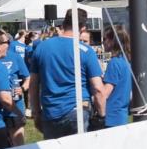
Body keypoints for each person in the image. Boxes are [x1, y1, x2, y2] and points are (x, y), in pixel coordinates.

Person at [30, 8, 105, 139]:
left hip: (50, 112)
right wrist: (102, 115)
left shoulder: (42, 47)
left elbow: (33, 85)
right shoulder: (86, 51)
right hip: (77, 111)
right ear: (83, 28)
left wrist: (36, 113)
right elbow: (98, 88)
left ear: (63, 24)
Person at [100, 25, 133, 129]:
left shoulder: (114, 63)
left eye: (104, 39)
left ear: (112, 41)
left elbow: (105, 93)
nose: (103, 42)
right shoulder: (125, 61)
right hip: (122, 115)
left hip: (112, 117)